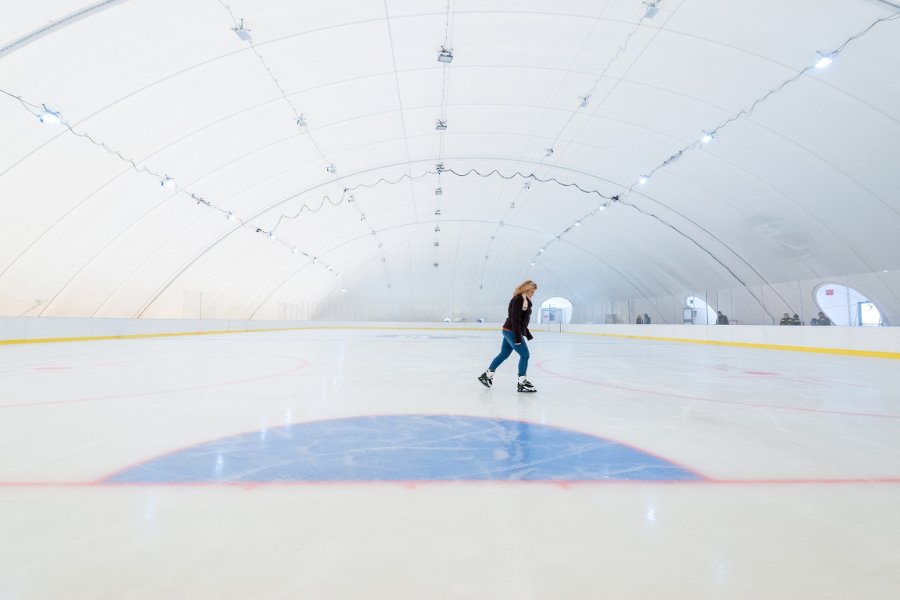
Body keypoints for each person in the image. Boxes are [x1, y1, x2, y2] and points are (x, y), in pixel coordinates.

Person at [478, 280, 538, 393]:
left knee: (504, 354)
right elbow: (515, 318)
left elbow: (521, 320)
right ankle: (522, 382)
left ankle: (487, 375)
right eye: (532, 292)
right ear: (526, 290)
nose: (533, 294)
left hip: (509, 330)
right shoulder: (519, 299)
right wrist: (517, 337)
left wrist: (526, 332)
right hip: (512, 331)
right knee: (525, 355)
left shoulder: (524, 300)